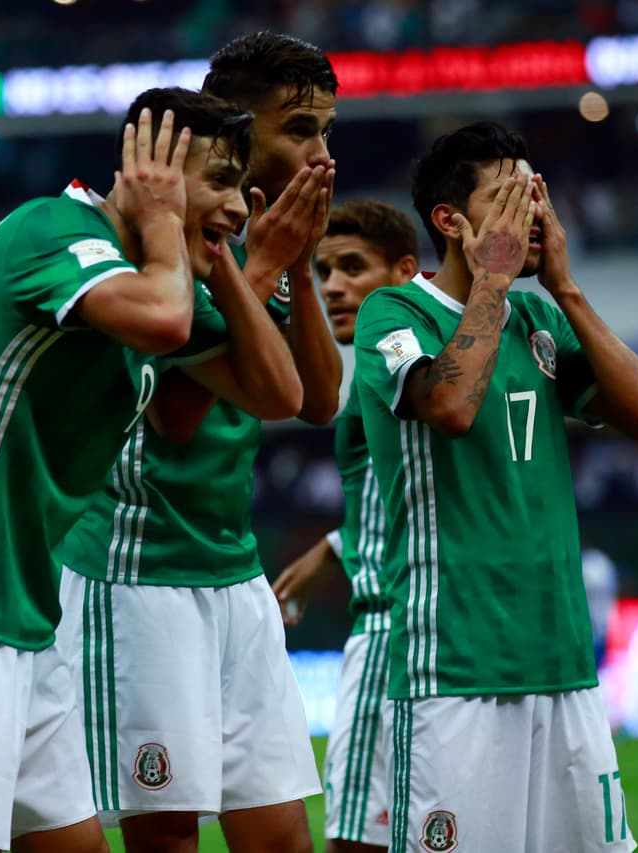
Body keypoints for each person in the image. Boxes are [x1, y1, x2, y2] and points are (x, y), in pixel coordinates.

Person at [0, 88, 303, 853]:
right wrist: (164, 222)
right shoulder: (54, 230)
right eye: (218, 180)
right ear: (149, 167)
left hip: (24, 613)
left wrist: (223, 263)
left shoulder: (160, 275)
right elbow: (163, 319)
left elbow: (277, 392)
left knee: (72, 843)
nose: (237, 205)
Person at [56, 32, 341, 853]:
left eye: (327, 129)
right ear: (237, 127)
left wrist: (298, 259)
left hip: (231, 564)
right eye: (300, 129)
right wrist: (257, 264)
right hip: (141, 570)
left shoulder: (266, 236)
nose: (321, 151)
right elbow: (171, 414)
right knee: (169, 833)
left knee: (282, 833)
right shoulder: (155, 233)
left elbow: (317, 400)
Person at [353, 122, 638, 852]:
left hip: (562, 658)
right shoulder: (392, 313)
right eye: (507, 200)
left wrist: (565, 286)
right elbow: (451, 406)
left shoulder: (539, 318)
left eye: (534, 196)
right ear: (450, 220)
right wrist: (492, 278)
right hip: (456, 661)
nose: (529, 215)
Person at [271, 199, 420, 853]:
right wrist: (335, 545)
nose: (333, 285)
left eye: (353, 266)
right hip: (452, 628)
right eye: (324, 268)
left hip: (391, 629)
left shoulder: (401, 363)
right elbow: (412, 491)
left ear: (404, 272)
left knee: (357, 838)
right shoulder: (385, 366)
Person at [581, 544, 619, 670]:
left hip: (601, 631)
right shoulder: (587, 560)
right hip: (590, 632)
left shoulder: (596, 561)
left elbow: (586, 581)